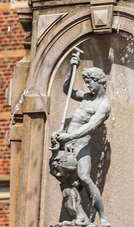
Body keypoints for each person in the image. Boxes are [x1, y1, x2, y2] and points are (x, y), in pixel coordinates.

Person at [52, 64, 111, 227]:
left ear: (99, 81)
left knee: (84, 177)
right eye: (86, 82)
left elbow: (90, 126)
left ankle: (103, 216)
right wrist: (72, 70)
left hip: (81, 142)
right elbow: (67, 89)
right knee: (67, 182)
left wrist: (69, 135)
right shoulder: (86, 97)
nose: (88, 86)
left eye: (90, 82)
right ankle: (79, 216)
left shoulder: (103, 105)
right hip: (67, 142)